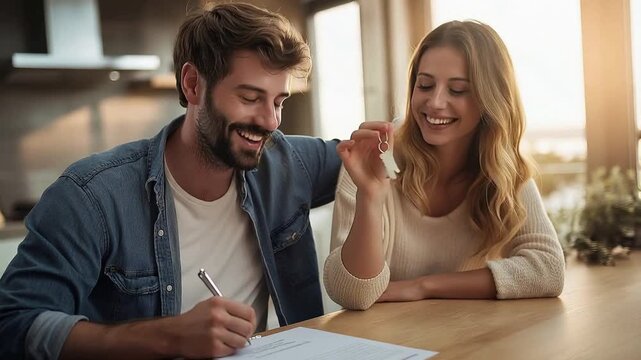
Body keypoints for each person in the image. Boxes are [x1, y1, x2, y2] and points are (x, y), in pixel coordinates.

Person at [0, 3, 341, 359]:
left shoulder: (286, 163)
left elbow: (390, 152)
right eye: (250, 97)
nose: (271, 121)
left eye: (279, 101)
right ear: (193, 84)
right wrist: (168, 338)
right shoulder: (91, 196)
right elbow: (13, 325)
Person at [323, 20, 564, 311]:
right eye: (424, 85)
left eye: (458, 90)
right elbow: (353, 295)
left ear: (490, 99)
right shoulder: (375, 157)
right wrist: (370, 196)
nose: (435, 102)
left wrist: (424, 286)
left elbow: (548, 270)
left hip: (465, 337)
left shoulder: (502, 168)